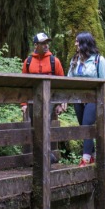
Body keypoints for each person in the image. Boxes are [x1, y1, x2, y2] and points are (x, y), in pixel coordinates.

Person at [21, 32, 66, 163]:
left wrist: (60, 102)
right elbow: (22, 83)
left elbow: (62, 83)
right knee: (34, 126)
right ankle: (41, 154)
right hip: (32, 100)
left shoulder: (54, 61)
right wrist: (23, 104)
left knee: (44, 122)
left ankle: (45, 154)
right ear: (36, 45)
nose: (46, 45)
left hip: (50, 100)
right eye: (43, 43)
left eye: (47, 43)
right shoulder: (28, 62)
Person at [67, 32, 105, 166]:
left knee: (87, 126)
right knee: (83, 127)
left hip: (94, 99)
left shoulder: (98, 60)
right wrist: (65, 99)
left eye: (77, 42)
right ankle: (93, 156)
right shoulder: (74, 60)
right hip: (78, 99)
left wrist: (104, 103)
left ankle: (85, 160)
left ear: (84, 43)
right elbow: (68, 80)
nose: (75, 44)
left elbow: (104, 82)